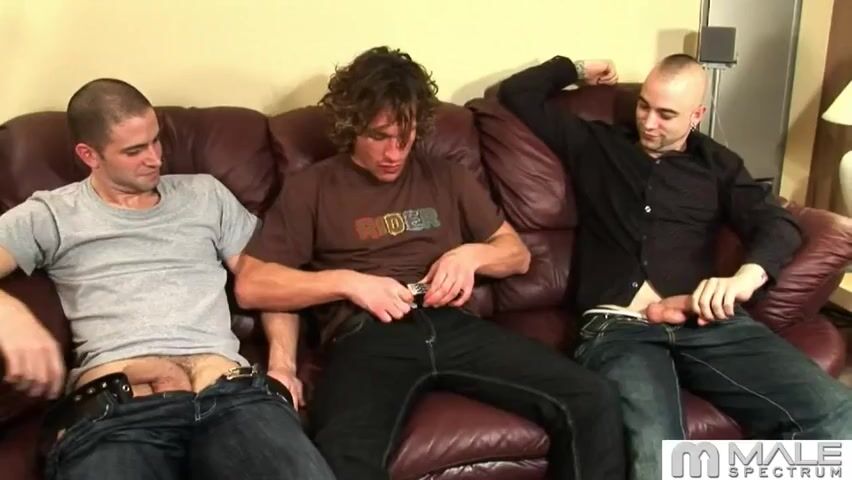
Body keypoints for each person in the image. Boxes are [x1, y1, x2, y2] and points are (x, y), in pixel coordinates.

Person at [235, 46, 625, 480]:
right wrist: (349, 283)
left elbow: (517, 255)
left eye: (405, 137)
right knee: (343, 457)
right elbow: (253, 285)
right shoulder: (312, 187)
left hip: (453, 323)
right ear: (351, 125)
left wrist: (471, 255)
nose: (394, 153)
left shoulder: (447, 175)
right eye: (379, 136)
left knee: (593, 397)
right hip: (368, 335)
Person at [498, 53, 852, 479]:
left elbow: (778, 224)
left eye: (666, 115)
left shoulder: (718, 165)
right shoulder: (596, 144)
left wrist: (747, 276)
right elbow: (518, 93)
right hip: (620, 329)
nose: (649, 123)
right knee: (658, 457)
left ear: (696, 115)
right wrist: (578, 68)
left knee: (840, 423)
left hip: (706, 321)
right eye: (643, 106)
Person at [0, 78, 334, 480]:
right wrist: (8, 312)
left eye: (156, 141)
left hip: (234, 397)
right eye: (134, 151)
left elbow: (268, 279)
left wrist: (283, 366)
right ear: (89, 155)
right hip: (121, 412)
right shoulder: (52, 213)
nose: (156, 159)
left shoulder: (205, 195)